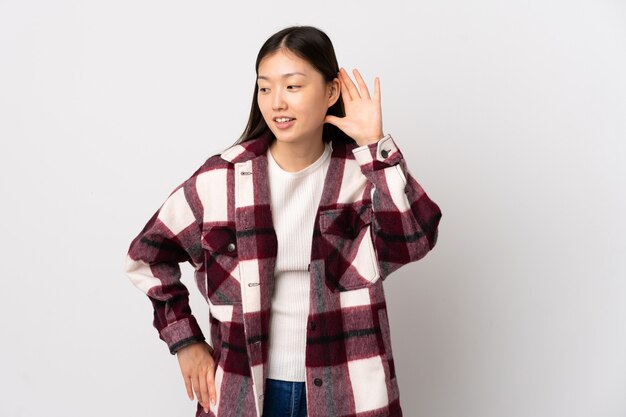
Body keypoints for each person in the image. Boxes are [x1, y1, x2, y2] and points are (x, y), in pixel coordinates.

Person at [125, 25, 442, 417]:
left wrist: (375, 146)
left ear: (330, 92)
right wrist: (185, 341)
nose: (276, 103)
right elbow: (147, 256)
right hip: (245, 393)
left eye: (292, 87)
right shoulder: (221, 180)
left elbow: (415, 239)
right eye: (265, 87)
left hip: (350, 393)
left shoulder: (363, 176)